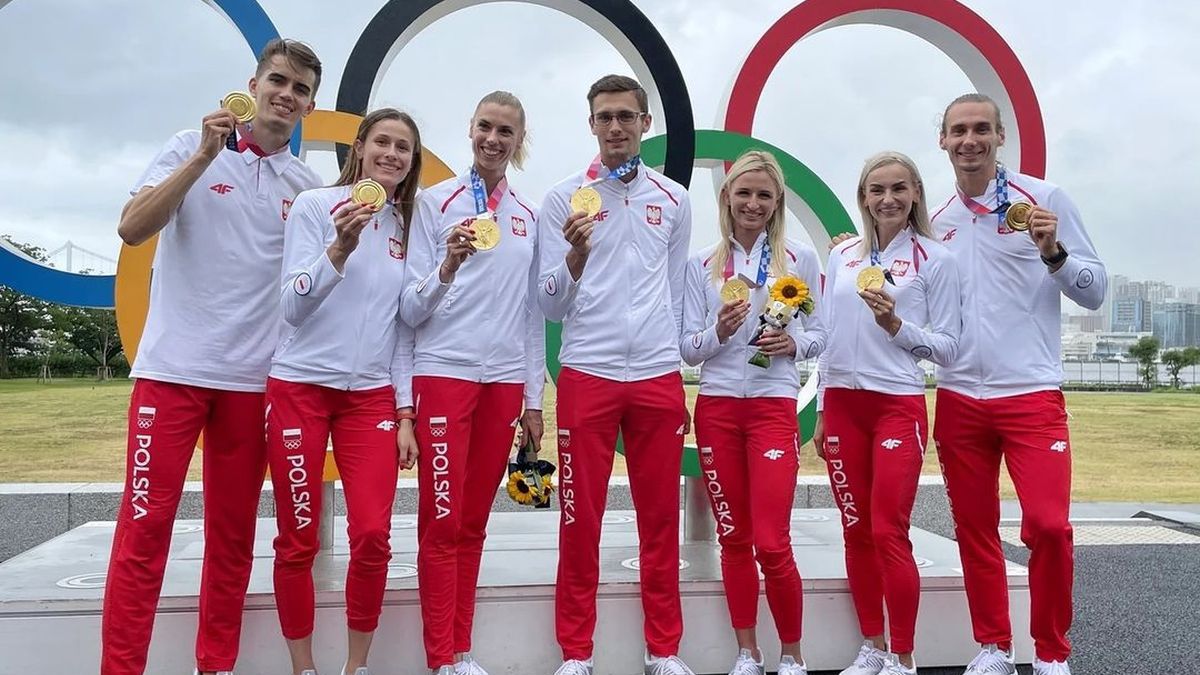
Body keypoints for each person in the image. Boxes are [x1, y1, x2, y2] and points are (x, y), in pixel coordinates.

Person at [104, 38, 322, 675]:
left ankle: (215, 666)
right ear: (253, 84)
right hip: (172, 374)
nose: (286, 94)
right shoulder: (186, 146)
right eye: (277, 80)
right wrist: (203, 156)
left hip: (254, 386)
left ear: (309, 105)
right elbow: (132, 228)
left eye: (300, 89)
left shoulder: (306, 187)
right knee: (144, 536)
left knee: (232, 542)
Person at [929, 94, 1106, 675]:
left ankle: (1052, 652)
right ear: (943, 141)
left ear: (1000, 136)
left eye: (981, 129)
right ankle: (994, 647)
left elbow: (1095, 289)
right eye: (959, 131)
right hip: (957, 396)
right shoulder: (936, 219)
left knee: (1050, 527)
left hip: (1030, 394)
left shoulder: (1044, 200)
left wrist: (1053, 253)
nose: (969, 140)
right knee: (974, 530)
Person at [537, 74, 693, 675]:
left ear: (645, 123)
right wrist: (575, 257)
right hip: (588, 373)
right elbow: (550, 303)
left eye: (627, 116)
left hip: (655, 375)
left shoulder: (673, 198)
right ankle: (577, 653)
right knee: (580, 521)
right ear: (592, 124)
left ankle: (664, 651)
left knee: (660, 520)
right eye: (605, 117)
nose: (616, 127)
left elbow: (677, 292)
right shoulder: (562, 199)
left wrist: (674, 365)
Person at [265, 108, 422, 675]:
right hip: (300, 388)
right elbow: (292, 305)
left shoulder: (407, 225)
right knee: (299, 537)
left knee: (375, 535)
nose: (392, 154)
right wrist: (338, 249)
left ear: (411, 160)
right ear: (359, 147)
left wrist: (405, 411)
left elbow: (404, 329)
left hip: (370, 398)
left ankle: (355, 667)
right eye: (382, 142)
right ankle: (303, 667)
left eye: (403, 147)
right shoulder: (314, 206)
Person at [399, 90, 545, 675]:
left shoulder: (529, 217)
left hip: (504, 384)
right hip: (444, 376)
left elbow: (534, 316)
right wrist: (447, 268)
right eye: (486, 127)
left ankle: (461, 651)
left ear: (519, 141)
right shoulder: (435, 204)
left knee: (475, 522)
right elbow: (408, 309)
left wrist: (535, 399)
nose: (493, 139)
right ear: (470, 129)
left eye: (506, 132)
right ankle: (440, 658)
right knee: (442, 521)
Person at [814, 152, 962, 675]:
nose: (888, 199)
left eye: (899, 188)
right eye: (877, 190)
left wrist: (898, 326)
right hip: (844, 407)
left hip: (897, 406)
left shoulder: (936, 260)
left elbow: (947, 348)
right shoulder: (843, 257)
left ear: (916, 193)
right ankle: (872, 647)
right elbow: (829, 336)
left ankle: (903, 656)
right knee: (855, 530)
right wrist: (823, 409)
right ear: (863, 197)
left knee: (887, 530)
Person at [680, 150, 826, 675]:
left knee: (771, 539)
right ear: (726, 197)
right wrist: (718, 331)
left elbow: (821, 335)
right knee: (735, 538)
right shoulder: (699, 264)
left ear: (777, 201)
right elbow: (688, 349)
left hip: (772, 408)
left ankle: (792, 654)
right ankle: (748, 652)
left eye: (764, 195)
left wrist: (794, 344)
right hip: (718, 407)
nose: (753, 203)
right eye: (744, 193)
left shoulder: (800, 260)